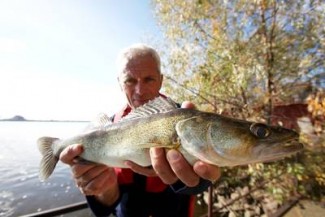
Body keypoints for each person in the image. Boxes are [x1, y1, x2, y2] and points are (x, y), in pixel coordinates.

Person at [59, 43, 221, 217]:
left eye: (149, 79)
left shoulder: (187, 119)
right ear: (120, 83)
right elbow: (104, 208)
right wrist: (101, 187)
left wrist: (200, 180)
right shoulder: (108, 127)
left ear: (160, 80)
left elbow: (202, 179)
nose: (140, 90)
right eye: (130, 80)